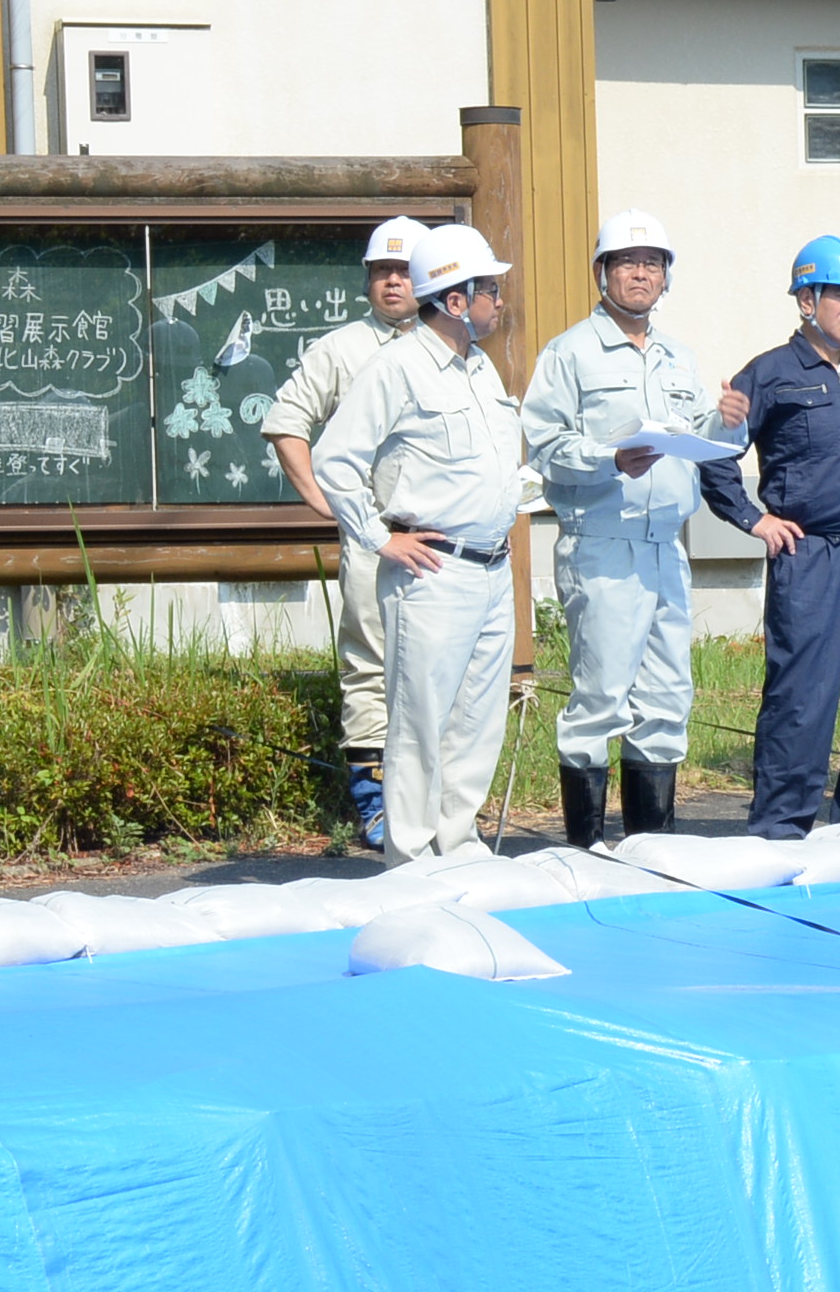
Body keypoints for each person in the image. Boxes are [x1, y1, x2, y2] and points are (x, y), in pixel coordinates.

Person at [520, 210, 747, 845]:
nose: (641, 272)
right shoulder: (569, 352)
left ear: (667, 279)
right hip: (603, 542)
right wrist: (608, 458)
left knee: (668, 697)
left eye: (653, 263)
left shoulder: (679, 357)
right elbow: (543, 443)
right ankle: (587, 849)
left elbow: (701, 434)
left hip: (666, 546)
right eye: (627, 262)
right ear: (601, 274)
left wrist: (727, 419)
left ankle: (654, 846)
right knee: (600, 698)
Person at [310, 223, 526, 864]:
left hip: (491, 568)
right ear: (455, 300)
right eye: (488, 287)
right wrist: (380, 538)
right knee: (420, 722)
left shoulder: (479, 365)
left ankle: (456, 842)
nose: (498, 299)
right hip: (433, 570)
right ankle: (408, 856)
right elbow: (335, 460)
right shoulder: (397, 366)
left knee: (477, 719)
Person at [701, 237, 840, 838]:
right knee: (804, 698)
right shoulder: (768, 374)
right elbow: (716, 456)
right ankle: (780, 828)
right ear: (806, 300)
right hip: (812, 556)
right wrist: (753, 519)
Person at [262, 214, 429, 848]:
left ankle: (428, 799)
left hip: (442, 541)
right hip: (373, 535)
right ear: (366, 280)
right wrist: (327, 505)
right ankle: (374, 804)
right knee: (370, 668)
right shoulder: (340, 348)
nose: (393, 282)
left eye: (404, 271)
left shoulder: (452, 344)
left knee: (438, 668)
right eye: (382, 271)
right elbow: (287, 423)